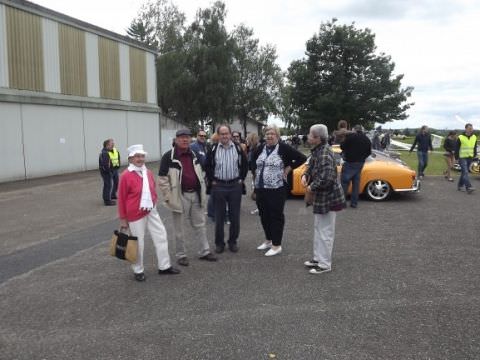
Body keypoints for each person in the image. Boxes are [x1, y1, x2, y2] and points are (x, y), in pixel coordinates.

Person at [117, 144, 180, 282]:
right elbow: (121, 199)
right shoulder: (126, 176)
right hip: (134, 214)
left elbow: (152, 189)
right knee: (138, 243)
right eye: (137, 156)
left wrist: (153, 201)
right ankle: (138, 270)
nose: (140, 159)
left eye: (142, 156)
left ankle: (164, 266)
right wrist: (123, 218)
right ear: (131, 158)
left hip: (151, 210)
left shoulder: (148, 172)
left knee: (161, 235)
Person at [158, 129, 217, 267]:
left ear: (191, 139)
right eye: (182, 137)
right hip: (179, 196)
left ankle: (204, 251)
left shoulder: (194, 154)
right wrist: (168, 197)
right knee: (179, 228)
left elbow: (201, 172)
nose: (185, 140)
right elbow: (162, 179)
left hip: (195, 194)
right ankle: (181, 255)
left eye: (187, 137)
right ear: (176, 139)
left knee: (200, 225)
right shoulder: (168, 156)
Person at [251, 125, 307, 256]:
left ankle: (276, 245)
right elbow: (253, 160)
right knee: (264, 215)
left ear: (277, 135)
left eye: (272, 134)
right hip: (261, 188)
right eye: (267, 134)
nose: (269, 136)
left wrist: (289, 168)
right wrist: (255, 172)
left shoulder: (283, 148)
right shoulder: (261, 148)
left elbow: (302, 158)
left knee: (276, 216)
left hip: (277, 188)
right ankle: (268, 240)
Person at [301, 124, 346, 274]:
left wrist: (310, 187)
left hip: (329, 197)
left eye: (310, 134)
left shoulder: (325, 153)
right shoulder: (318, 150)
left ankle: (325, 264)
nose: (307, 136)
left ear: (317, 138)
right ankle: (317, 258)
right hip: (323, 197)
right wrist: (304, 175)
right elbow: (311, 167)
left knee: (325, 231)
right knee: (319, 228)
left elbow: (326, 178)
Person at [205, 124, 248, 253]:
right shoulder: (212, 149)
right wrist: (212, 181)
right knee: (219, 217)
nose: (224, 136)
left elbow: (245, 165)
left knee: (235, 217)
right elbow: (207, 166)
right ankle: (219, 243)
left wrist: (241, 179)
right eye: (222, 134)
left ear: (230, 134)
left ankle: (233, 242)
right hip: (219, 186)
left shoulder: (238, 148)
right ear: (218, 135)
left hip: (235, 185)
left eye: (226, 133)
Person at [340, 125, 372, 208]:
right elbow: (369, 152)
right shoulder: (366, 139)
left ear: (354, 130)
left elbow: (342, 147)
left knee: (344, 183)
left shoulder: (351, 137)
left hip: (349, 162)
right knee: (356, 184)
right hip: (360, 163)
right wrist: (362, 158)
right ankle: (354, 203)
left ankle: (342, 203)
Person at [455, 123, 477, 194]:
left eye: (471, 128)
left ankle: (459, 186)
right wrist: (456, 157)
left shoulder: (474, 137)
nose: (471, 130)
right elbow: (457, 148)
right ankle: (469, 187)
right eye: (469, 128)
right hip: (462, 157)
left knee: (464, 173)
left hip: (470, 157)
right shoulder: (460, 137)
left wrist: (475, 154)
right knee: (466, 172)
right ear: (466, 129)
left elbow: (474, 147)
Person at [99, 138, 120, 206]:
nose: (113, 144)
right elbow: (104, 165)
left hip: (114, 170)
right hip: (106, 171)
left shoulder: (114, 150)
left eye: (113, 143)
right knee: (108, 185)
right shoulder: (104, 153)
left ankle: (113, 195)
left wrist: (117, 167)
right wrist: (109, 171)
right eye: (112, 143)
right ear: (107, 145)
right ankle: (107, 200)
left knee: (116, 182)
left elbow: (117, 158)